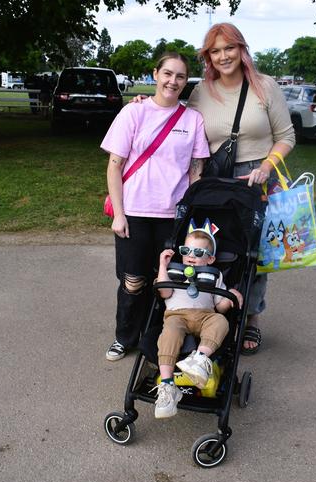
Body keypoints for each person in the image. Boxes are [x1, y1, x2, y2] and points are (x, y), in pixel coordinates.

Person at [189, 23, 296, 354]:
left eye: (229, 48)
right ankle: (212, 315)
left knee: (255, 256)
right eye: (215, 51)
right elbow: (186, 133)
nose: (223, 56)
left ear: (241, 49)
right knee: (215, 249)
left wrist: (267, 166)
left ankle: (251, 318)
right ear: (208, 57)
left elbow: (286, 136)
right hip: (214, 181)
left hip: (257, 179)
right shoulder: (200, 92)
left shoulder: (265, 87)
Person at [100, 52, 210, 361]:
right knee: (134, 281)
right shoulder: (133, 113)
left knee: (166, 281)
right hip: (134, 212)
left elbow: (195, 170)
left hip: (172, 215)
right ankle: (125, 336)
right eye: (167, 74)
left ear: (185, 82)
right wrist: (119, 214)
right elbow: (114, 166)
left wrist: (190, 214)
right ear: (155, 74)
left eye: (179, 76)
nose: (173, 81)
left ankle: (157, 339)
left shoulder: (192, 119)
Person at [152, 221, 243, 418]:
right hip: (177, 316)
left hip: (206, 316)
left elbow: (220, 306)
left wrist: (231, 295)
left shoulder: (215, 275)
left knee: (221, 321)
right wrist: (163, 266)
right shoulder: (174, 271)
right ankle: (167, 387)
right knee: (169, 334)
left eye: (199, 253)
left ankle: (199, 360)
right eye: (187, 250)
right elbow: (164, 292)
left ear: (210, 259)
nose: (191, 256)